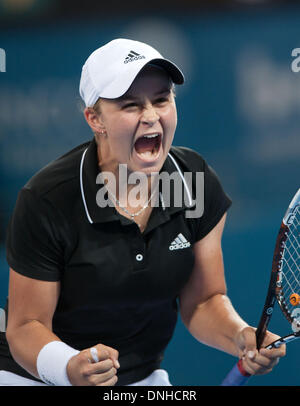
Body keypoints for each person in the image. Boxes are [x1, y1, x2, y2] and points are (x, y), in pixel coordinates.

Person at [0, 38, 285, 386]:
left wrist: (240, 336)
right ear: (95, 118)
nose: (151, 116)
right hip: (36, 376)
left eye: (162, 99)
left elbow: (203, 301)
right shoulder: (48, 200)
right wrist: (70, 367)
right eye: (130, 105)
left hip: (139, 379)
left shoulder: (195, 182)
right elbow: (25, 327)